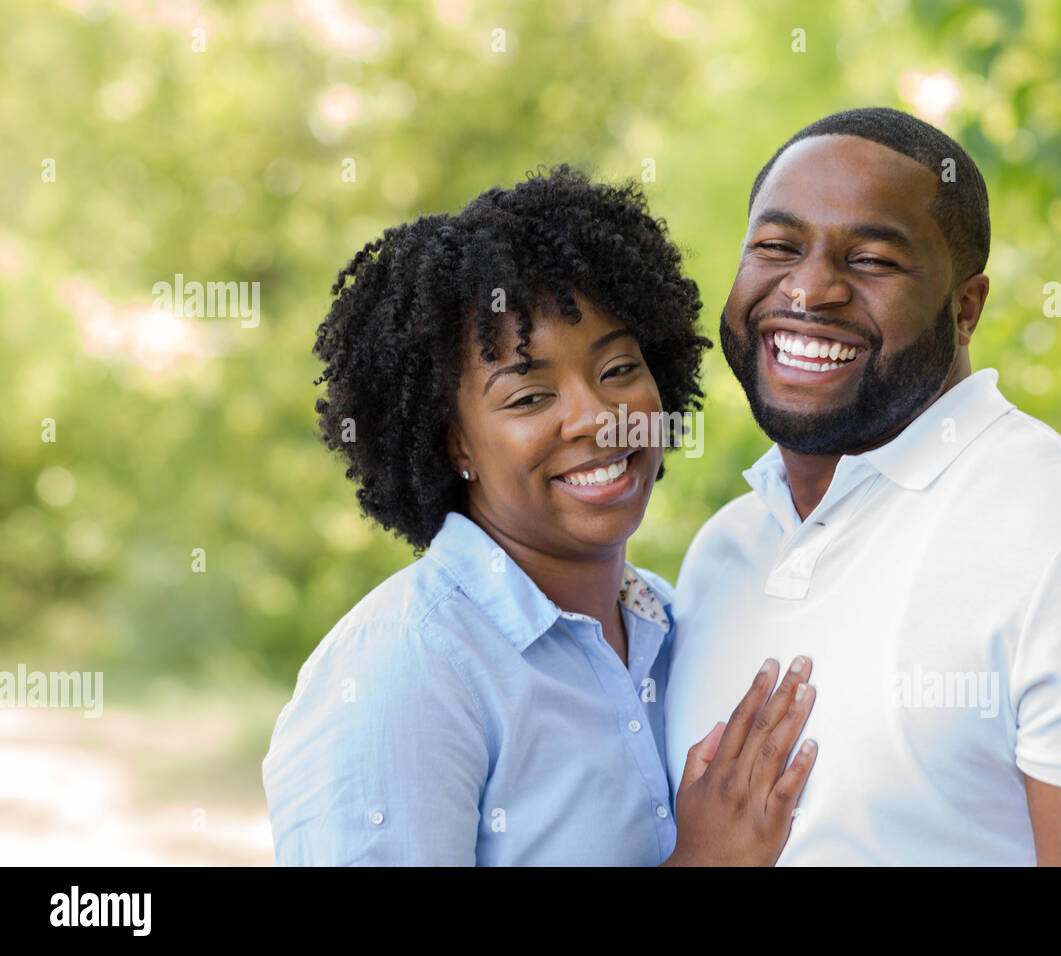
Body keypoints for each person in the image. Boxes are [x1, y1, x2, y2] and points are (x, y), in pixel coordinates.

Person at [664, 107, 1061, 865]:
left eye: (870, 260)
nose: (808, 290)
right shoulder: (723, 551)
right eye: (776, 246)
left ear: (965, 309)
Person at [262, 165, 817, 865]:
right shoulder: (405, 669)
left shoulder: (681, 631)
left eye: (618, 370)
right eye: (528, 398)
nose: (598, 418)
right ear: (453, 441)